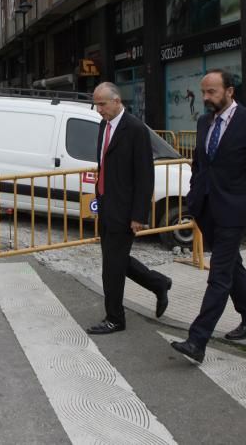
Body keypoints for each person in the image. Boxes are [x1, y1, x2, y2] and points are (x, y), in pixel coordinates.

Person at [170, 69, 246, 363]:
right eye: (204, 92)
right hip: (208, 207)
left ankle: (197, 340)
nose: (206, 98)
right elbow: (200, 163)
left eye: (212, 92)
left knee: (219, 274)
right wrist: (194, 196)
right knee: (233, 265)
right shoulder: (204, 121)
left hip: (235, 210)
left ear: (229, 91)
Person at [86, 82, 172, 335]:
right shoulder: (104, 125)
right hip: (106, 203)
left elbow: (145, 175)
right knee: (115, 259)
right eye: (96, 104)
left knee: (112, 266)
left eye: (102, 104)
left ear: (116, 100)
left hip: (124, 209)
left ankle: (115, 318)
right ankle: (158, 283)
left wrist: (139, 215)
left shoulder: (135, 128)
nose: (98, 110)